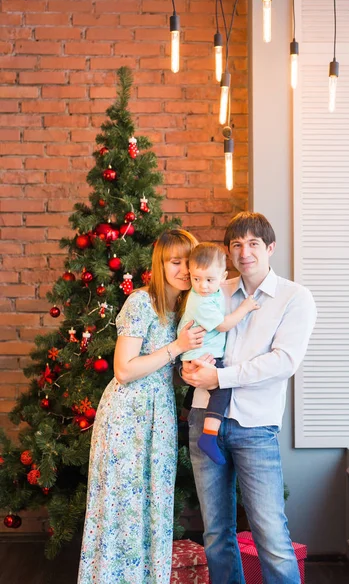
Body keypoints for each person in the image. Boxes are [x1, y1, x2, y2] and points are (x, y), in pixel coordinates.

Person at [182, 212, 317, 584]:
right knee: (215, 535)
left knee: (271, 535)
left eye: (253, 243)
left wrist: (220, 376)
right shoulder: (214, 289)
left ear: (270, 248)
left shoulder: (295, 298)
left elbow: (284, 361)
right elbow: (192, 339)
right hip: (203, 417)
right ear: (228, 252)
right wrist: (188, 369)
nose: (245, 252)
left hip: (255, 426)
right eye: (236, 244)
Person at [78, 229, 205, 584]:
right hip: (125, 418)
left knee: (153, 505)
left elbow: (164, 373)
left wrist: (190, 371)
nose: (182, 270)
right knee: (121, 507)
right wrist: (178, 348)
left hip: (159, 417)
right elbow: (124, 369)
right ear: (160, 264)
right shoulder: (141, 302)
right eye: (174, 262)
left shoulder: (183, 309)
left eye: (187, 262)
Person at [177, 242, 259, 465]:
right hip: (199, 355)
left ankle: (184, 417)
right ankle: (209, 437)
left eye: (209, 280)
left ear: (222, 277)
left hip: (200, 353)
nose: (202, 286)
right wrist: (245, 307)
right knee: (222, 388)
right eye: (196, 279)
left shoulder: (212, 293)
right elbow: (223, 325)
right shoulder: (199, 301)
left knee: (199, 386)